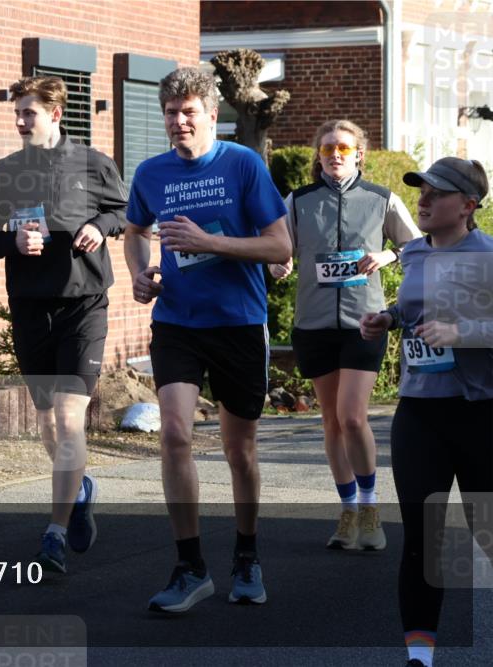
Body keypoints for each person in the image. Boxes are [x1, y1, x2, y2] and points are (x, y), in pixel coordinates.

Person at [123, 67, 291, 612]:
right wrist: (140, 273)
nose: (178, 122)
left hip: (239, 322)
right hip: (177, 323)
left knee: (239, 450)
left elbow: (279, 248)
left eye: (188, 112)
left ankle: (247, 553)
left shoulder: (242, 164)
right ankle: (190, 566)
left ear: (212, 115)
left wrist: (208, 244)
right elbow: (134, 230)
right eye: (170, 113)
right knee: (173, 433)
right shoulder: (151, 173)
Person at [0, 75, 128, 574]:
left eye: (29, 114)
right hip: (31, 307)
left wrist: (98, 228)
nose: (20, 122)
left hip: (84, 306)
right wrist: (11, 243)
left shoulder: (94, 163)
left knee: (67, 419)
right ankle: (78, 488)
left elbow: (123, 211)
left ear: (55, 115)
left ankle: (55, 535)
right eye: (17, 113)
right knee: (46, 422)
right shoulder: (7, 169)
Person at [360, 157, 492, 667]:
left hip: (480, 412)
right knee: (422, 535)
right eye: (422, 189)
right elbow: (410, 311)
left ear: (467, 205)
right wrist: (386, 319)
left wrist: (465, 334)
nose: (425, 198)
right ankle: (420, 656)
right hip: (419, 412)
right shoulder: (411, 253)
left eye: (438, 191)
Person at [268, 119, 420, 551]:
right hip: (313, 325)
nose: (335, 154)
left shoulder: (381, 199)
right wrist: (278, 264)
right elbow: (277, 246)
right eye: (328, 148)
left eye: (344, 148)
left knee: (353, 416)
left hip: (364, 323)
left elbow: (416, 246)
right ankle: (348, 509)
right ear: (318, 155)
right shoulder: (298, 201)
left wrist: (387, 253)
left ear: (359, 155)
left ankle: (371, 507)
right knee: (331, 421)